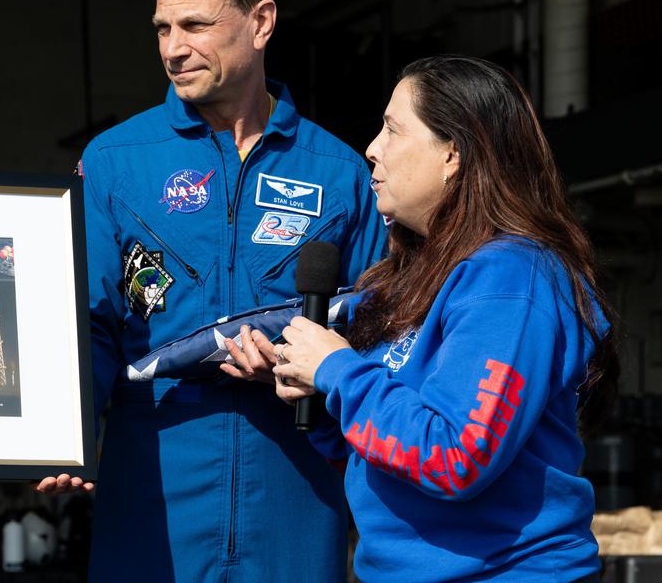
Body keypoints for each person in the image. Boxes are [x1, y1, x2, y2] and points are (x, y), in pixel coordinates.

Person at [38, 0, 387, 582]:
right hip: (154, 494)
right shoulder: (116, 161)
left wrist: (307, 371)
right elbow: (89, 326)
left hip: (296, 496)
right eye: (162, 27)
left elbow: (384, 333)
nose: (173, 48)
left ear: (261, 22)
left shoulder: (340, 173)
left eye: (195, 25)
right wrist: (68, 432)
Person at [245, 55, 618, 582]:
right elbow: (384, 456)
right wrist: (315, 390)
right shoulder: (410, 277)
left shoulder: (513, 278)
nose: (371, 149)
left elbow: (454, 458)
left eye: (393, 130)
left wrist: (339, 372)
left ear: (453, 154)